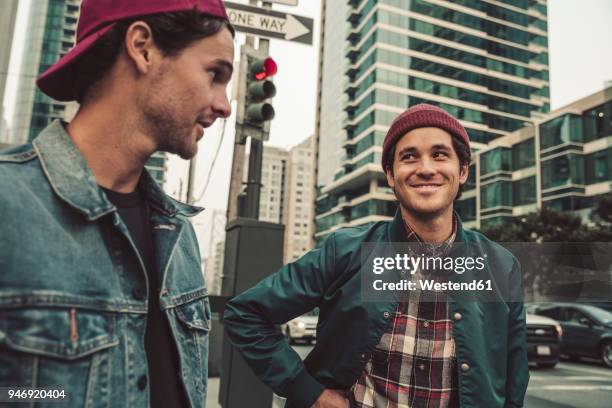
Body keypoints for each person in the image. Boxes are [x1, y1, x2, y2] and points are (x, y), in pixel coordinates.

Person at [0, 1, 234, 407]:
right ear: (142, 47)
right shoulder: (9, 204)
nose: (225, 105)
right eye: (215, 74)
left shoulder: (180, 236)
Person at [224, 104, 529, 408]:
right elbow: (245, 314)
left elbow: (514, 378)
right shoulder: (344, 251)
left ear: (462, 171)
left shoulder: (502, 267)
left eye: (439, 154)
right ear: (390, 175)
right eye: (409, 157)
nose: (425, 168)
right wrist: (309, 393)